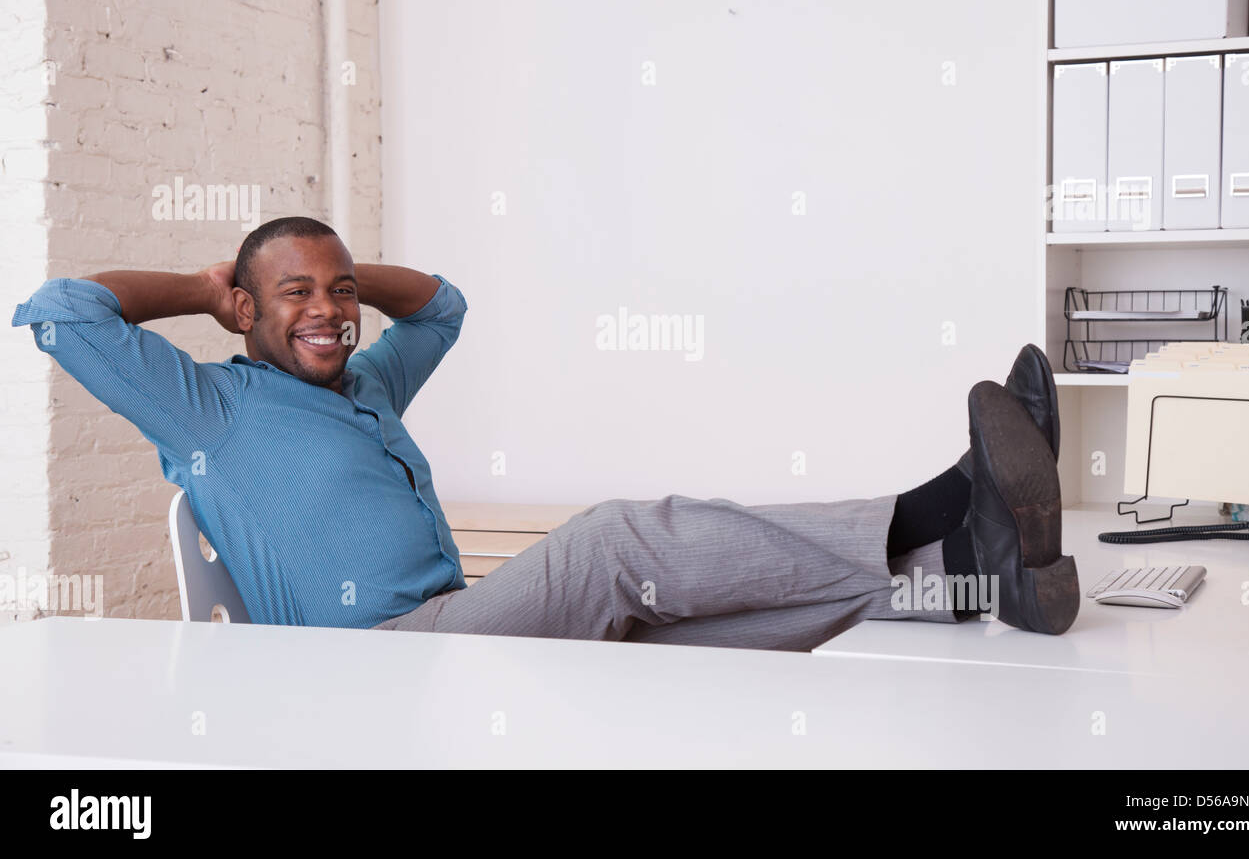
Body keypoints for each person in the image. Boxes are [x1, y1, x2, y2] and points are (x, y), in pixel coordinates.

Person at [12, 216, 1079, 650]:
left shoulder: (367, 385)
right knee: (616, 540)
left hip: (458, 623)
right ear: (246, 310)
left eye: (340, 292)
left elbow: (442, 307)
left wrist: (332, 268)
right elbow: (58, 313)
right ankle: (944, 505)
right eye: (296, 295)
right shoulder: (210, 405)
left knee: (673, 628)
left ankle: (973, 575)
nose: (329, 310)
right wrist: (209, 287)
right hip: (374, 664)